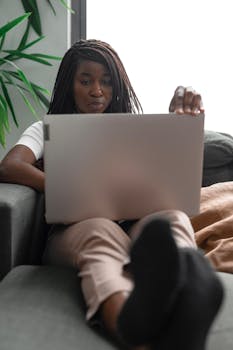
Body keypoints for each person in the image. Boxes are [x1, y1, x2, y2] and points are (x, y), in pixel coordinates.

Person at [0, 39, 223, 350]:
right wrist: (67, 186)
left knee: (170, 220)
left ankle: (190, 286)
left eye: (106, 81)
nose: (97, 91)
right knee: (99, 233)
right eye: (86, 80)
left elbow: (167, 177)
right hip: (78, 227)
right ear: (69, 84)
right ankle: (130, 326)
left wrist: (179, 121)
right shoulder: (44, 128)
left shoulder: (134, 129)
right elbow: (10, 166)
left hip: (137, 225)